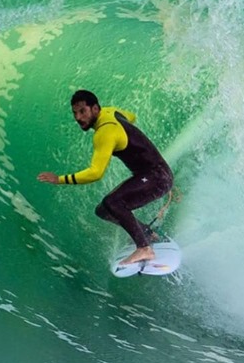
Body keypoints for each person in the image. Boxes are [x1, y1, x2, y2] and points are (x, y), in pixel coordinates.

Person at [37, 89, 174, 267]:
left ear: (95, 108)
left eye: (83, 111)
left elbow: (96, 173)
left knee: (113, 203)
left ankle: (144, 248)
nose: (78, 117)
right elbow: (131, 117)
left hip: (157, 177)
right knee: (103, 210)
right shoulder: (112, 112)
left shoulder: (104, 132)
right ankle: (147, 233)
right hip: (154, 174)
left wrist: (59, 179)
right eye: (75, 113)